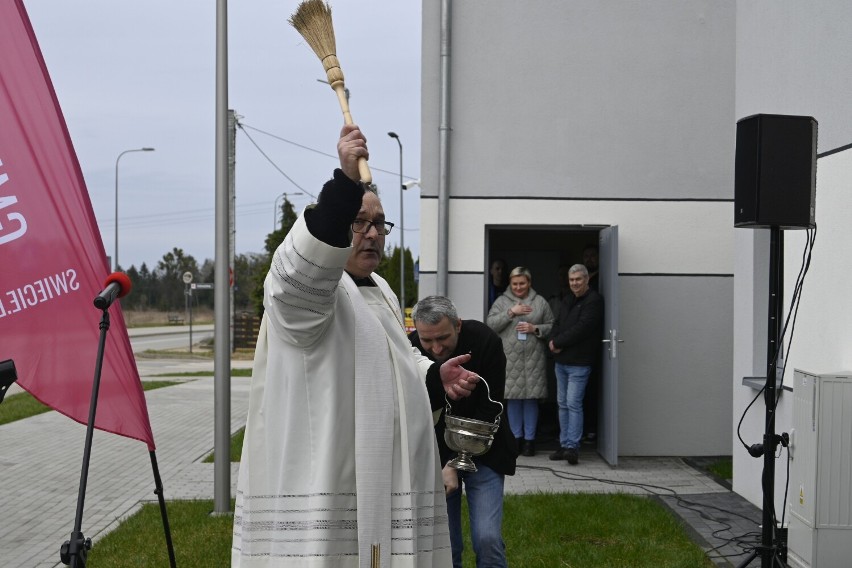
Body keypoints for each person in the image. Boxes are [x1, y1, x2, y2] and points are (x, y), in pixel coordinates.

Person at [232, 124, 481, 568]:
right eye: (358, 222)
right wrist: (345, 185)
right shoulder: (311, 294)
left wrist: (432, 375)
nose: (371, 234)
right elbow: (299, 280)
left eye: (378, 223)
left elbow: (393, 359)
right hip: (332, 488)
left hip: (393, 484)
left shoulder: (380, 288)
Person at [409, 296, 517, 568]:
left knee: (488, 540)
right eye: (427, 340)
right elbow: (417, 410)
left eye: (443, 337)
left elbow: (491, 408)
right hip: (436, 456)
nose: (436, 348)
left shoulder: (485, 341)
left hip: (486, 450)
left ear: (457, 324)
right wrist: (444, 463)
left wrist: (455, 464)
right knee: (445, 545)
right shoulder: (410, 349)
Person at [486, 266, 553, 456]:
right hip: (511, 359)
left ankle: (529, 442)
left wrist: (535, 328)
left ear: (529, 283)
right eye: (515, 283)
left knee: (531, 399)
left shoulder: (540, 302)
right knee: (514, 399)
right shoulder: (501, 301)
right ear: (510, 283)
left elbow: (551, 325)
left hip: (534, 359)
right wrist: (510, 313)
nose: (518, 287)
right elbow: (490, 324)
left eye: (522, 283)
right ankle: (516, 439)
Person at [548, 264, 604, 465]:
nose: (574, 283)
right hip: (561, 362)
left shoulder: (594, 301)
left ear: (587, 280)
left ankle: (573, 447)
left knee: (573, 403)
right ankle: (564, 445)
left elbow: (583, 328)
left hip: (580, 363)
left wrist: (558, 342)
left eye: (578, 279)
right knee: (562, 404)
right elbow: (558, 323)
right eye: (571, 280)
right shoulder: (568, 299)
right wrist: (552, 341)